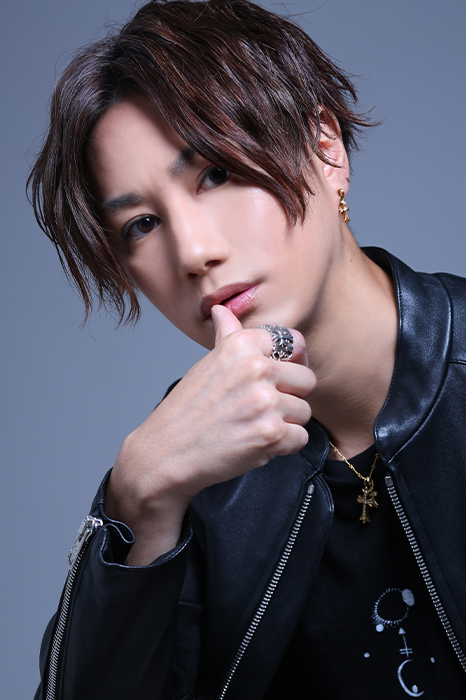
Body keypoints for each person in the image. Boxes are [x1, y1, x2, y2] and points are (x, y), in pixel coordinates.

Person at [29, 0, 466, 698]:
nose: (193, 252)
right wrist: (136, 502)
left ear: (326, 147)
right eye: (142, 224)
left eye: (215, 175)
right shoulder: (178, 470)